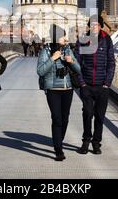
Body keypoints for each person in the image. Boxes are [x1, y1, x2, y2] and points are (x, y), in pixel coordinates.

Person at [37, 24, 81, 161]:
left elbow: (78, 69)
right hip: (52, 89)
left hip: (67, 89)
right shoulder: (46, 51)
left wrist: (72, 61)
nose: (65, 39)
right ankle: (58, 149)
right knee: (56, 118)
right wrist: (53, 58)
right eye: (63, 36)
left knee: (65, 118)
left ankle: (58, 140)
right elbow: (40, 71)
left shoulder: (68, 50)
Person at [75, 15, 115, 155]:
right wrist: (82, 83)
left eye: (96, 25)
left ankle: (96, 143)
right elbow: (76, 63)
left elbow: (111, 63)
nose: (94, 27)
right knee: (87, 113)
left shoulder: (107, 40)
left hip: (102, 86)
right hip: (87, 85)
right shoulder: (82, 40)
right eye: (92, 25)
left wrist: (107, 84)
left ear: (100, 26)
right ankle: (85, 142)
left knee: (99, 116)